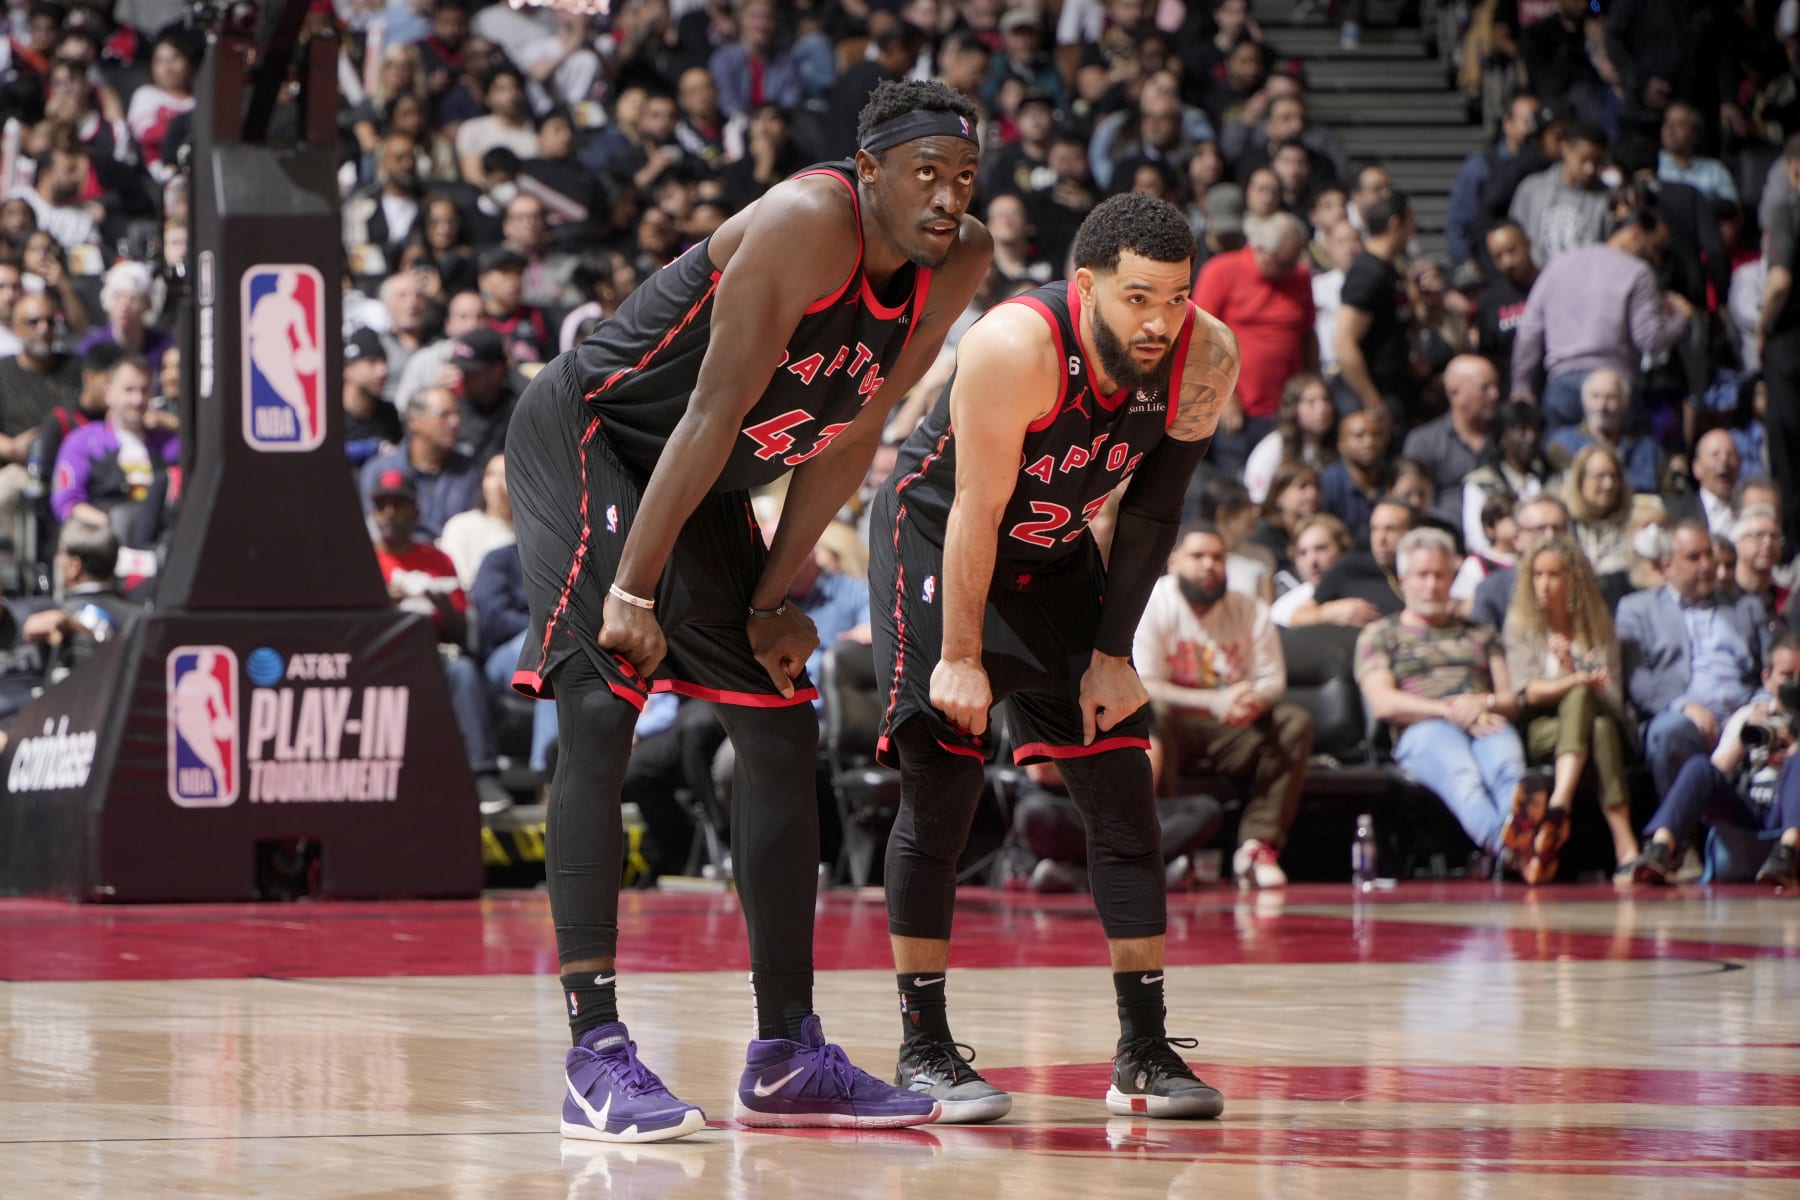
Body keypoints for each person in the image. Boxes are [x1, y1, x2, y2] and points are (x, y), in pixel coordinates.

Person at [504, 80, 990, 1141]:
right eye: (927, 175)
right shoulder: (806, 222)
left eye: (964, 177)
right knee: (600, 704)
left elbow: (852, 433)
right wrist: (632, 590)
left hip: (709, 475)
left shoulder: (961, 260)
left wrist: (775, 598)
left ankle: (785, 1052)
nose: (950, 197)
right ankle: (595, 1052)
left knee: (780, 720)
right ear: (868, 174)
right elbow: (713, 408)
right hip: (598, 434)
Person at [871, 193, 1237, 1124]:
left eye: (1177, 297)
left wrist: (1113, 653)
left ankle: (1143, 1053)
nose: (1160, 321)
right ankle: (923, 1046)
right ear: (1086, 288)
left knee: (1122, 782)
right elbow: (975, 511)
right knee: (944, 783)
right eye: (1138, 298)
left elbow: (1154, 514)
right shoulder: (1014, 345)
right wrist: (960, 656)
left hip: (1055, 550)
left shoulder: (1206, 354)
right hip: (941, 537)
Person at [1136, 523, 1312, 889]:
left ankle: (1256, 846)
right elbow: (1146, 685)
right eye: (1198, 556)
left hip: (1235, 725)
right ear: (1173, 562)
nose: (1209, 565)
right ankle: (1168, 844)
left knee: (1293, 721)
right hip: (1177, 725)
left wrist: (1252, 700)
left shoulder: (1249, 610)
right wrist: (1213, 701)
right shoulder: (1152, 602)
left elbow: (1272, 681)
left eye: (1217, 557)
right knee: (1151, 716)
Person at [1355, 527, 1535, 866]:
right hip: (1422, 728)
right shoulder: (1380, 635)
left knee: (1509, 770)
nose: (1432, 585)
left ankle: (1516, 850)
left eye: (1440, 575)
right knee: (1464, 778)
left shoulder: (1481, 632)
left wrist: (1484, 703)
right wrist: (1447, 709)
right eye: (1422, 575)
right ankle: (1516, 851)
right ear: (1403, 579)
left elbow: (1511, 700)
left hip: (1484, 719)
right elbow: (1384, 703)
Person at [367, 468, 506, 816]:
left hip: (432, 655)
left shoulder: (437, 560)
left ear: (415, 512)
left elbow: (461, 632)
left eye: (398, 506)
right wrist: (389, 599)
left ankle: (483, 774)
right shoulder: (363, 560)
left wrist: (438, 598)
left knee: (464, 671)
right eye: (382, 506)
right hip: (378, 660)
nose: (389, 514)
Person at [1618, 634, 1800, 890]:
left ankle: (1787, 855)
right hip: (1748, 811)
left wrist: (1793, 749)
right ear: (1767, 678)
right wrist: (1744, 736)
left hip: (1787, 816)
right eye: (1787, 675)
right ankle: (1661, 849)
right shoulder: (1750, 714)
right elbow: (1716, 772)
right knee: (1698, 766)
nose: (1795, 685)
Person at [1503, 535, 1632, 878]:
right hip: (1545, 728)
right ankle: (1625, 844)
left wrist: (1577, 672)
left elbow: (1613, 700)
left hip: (1601, 716)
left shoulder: (1597, 625)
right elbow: (1527, 692)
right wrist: (1573, 679)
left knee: (1599, 721)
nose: (1543, 585)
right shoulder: (1521, 624)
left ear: (1574, 580)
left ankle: (1559, 803)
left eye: (1554, 575)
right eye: (1537, 575)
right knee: (1589, 715)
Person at [1617, 522, 1763, 799]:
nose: (1707, 565)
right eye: (1694, 558)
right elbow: (1639, 682)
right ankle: (1681, 838)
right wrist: (1685, 707)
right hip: (1681, 715)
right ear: (1667, 565)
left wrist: (1762, 704)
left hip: (1746, 711)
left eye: (1709, 555)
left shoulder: (1745, 606)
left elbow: (1771, 668)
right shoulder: (1637, 609)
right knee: (1671, 731)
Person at [1192, 211, 1315, 475]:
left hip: (1287, 411)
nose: (1289, 270)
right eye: (1283, 263)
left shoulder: (1299, 277)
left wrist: (1312, 386)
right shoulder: (1222, 271)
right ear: (1261, 250)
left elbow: (1308, 335)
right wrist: (1226, 398)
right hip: (1239, 411)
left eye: (1293, 262)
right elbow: (1201, 339)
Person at [50, 355, 178, 541]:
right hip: (102, 544)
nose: (137, 399)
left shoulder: (168, 444)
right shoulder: (82, 442)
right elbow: (67, 504)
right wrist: (110, 525)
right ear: (109, 394)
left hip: (159, 539)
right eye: (129, 390)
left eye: (144, 390)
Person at [1293, 497, 1411, 626]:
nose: (1381, 538)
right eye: (1375, 529)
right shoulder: (1351, 568)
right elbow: (1297, 618)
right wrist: (1329, 612)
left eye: (1391, 529)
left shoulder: (1429, 570)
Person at [1543, 369, 1662, 496]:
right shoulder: (1561, 445)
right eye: (1595, 396)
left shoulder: (1647, 449)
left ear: (1625, 402)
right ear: (1584, 401)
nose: (1602, 406)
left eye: (1610, 397)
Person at [1243, 372, 1336, 504]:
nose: (1322, 408)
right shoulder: (1272, 447)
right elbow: (1256, 499)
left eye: (1326, 400)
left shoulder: (1336, 445)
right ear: (1293, 408)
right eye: (1311, 402)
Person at [1563, 443, 1635, 584]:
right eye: (1600, 476)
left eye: (1614, 476)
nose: (1608, 484)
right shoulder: (1566, 527)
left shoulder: (1632, 525)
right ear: (1580, 480)